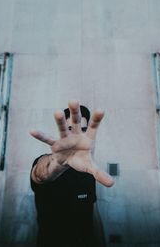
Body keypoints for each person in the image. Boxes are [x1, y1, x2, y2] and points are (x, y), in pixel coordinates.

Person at [30, 100, 114, 247]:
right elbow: (40, 174)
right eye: (71, 129)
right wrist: (55, 163)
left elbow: (93, 214)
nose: (76, 138)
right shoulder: (48, 162)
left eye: (83, 130)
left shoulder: (89, 170)